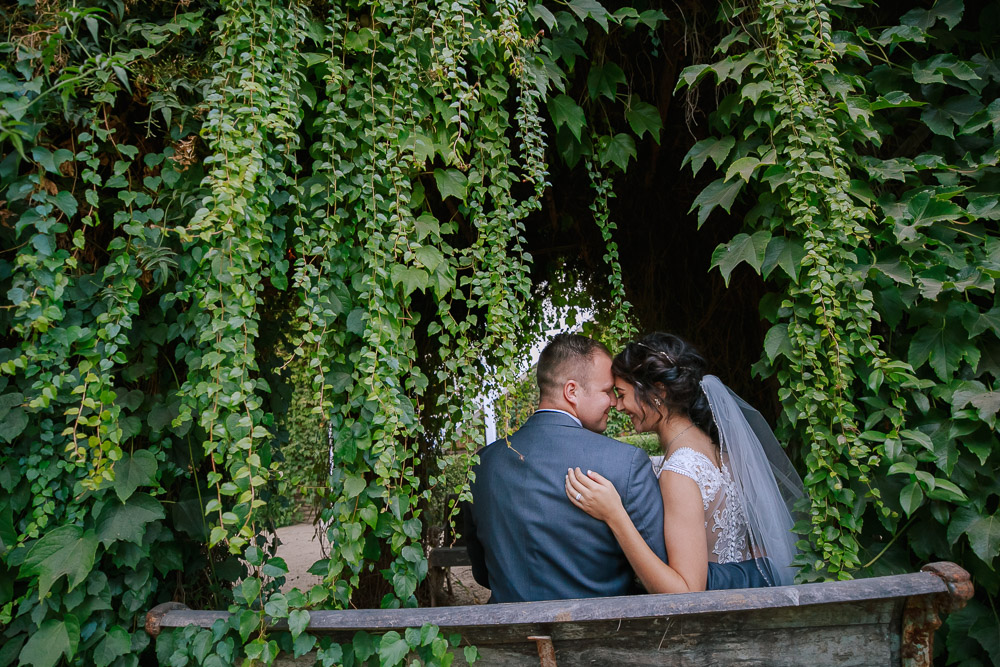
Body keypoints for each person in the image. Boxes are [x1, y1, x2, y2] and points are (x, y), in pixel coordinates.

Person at [466, 333, 768, 603]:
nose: (615, 403)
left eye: (619, 393)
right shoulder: (625, 463)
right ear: (572, 391)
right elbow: (672, 579)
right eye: (609, 391)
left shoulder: (481, 466)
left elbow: (482, 574)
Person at [565, 332, 804, 594]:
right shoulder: (720, 451)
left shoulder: (680, 471)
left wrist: (615, 516)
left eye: (622, 394)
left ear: (658, 392)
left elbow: (686, 591)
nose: (619, 406)